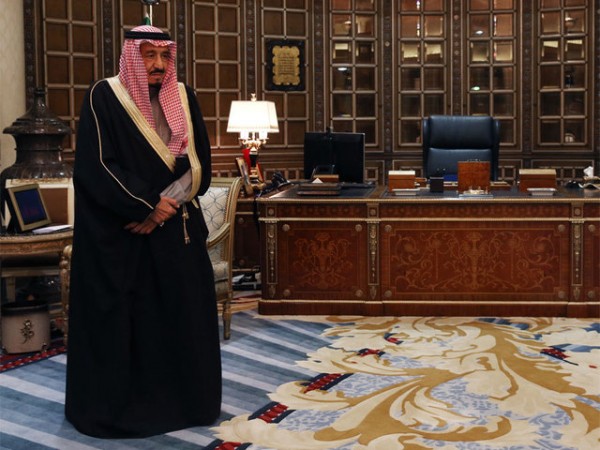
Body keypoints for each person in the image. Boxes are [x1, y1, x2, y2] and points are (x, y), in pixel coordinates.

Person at [65, 25, 221, 438]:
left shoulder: (184, 96)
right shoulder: (104, 96)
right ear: (133, 57)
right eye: (149, 55)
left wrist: (162, 207)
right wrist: (146, 205)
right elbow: (97, 165)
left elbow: (199, 163)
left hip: (175, 233)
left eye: (164, 56)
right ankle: (121, 411)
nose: (158, 64)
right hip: (122, 237)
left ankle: (188, 404)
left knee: (181, 317)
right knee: (127, 323)